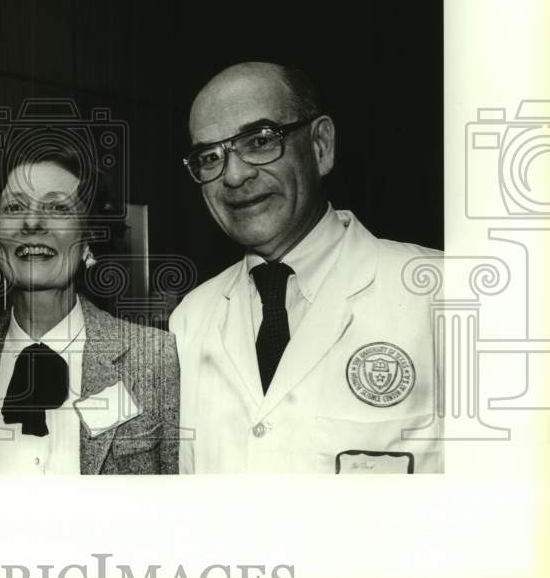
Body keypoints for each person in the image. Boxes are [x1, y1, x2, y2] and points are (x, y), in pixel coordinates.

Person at [171, 62, 442, 474]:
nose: (235, 174)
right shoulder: (189, 320)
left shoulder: (444, 294)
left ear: (320, 146)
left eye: (260, 141)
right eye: (210, 157)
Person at [0, 143, 179, 475]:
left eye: (58, 209)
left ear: (88, 238)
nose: (33, 223)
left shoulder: (154, 358)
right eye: (14, 207)